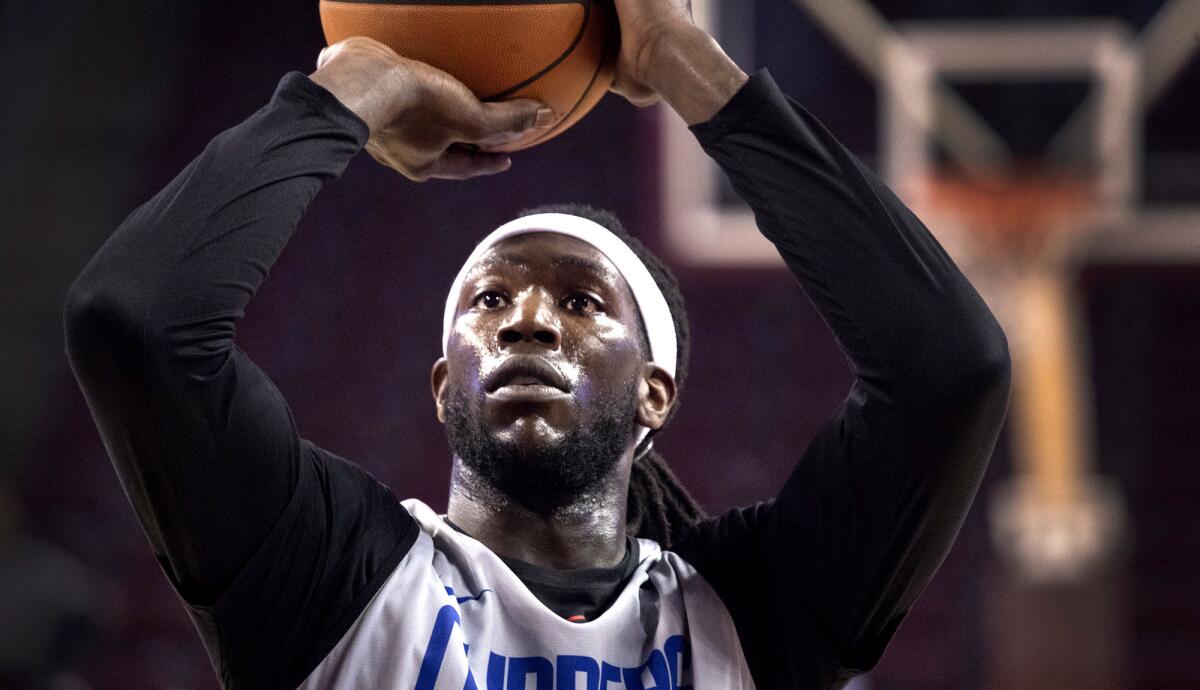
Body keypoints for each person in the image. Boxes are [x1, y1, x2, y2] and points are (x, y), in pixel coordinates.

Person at [63, 0, 1011, 687]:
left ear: (655, 394)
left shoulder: (751, 615)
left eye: (583, 301)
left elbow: (949, 370)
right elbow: (136, 320)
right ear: (443, 386)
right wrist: (344, 91)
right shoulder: (329, 575)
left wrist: (690, 65)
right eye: (487, 301)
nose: (525, 318)